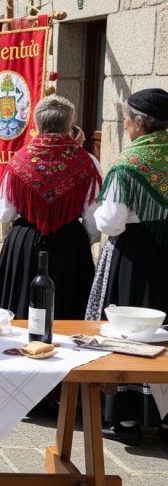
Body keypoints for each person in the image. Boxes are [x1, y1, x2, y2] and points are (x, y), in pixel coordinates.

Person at [86, 88, 168, 444]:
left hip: (135, 256)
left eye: (126, 117)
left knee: (130, 329)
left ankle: (128, 416)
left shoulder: (128, 165)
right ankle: (164, 417)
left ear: (138, 124)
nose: (123, 123)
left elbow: (110, 222)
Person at [0, 95, 102, 320]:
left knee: (19, 308)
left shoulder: (19, 160)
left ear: (37, 125)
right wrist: (80, 240)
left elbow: (4, 212)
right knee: (68, 310)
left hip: (25, 242)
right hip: (69, 244)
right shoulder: (87, 161)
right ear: (69, 126)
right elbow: (94, 218)